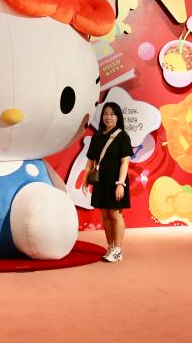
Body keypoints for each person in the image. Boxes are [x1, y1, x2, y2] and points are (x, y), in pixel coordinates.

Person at [82, 102, 132, 262]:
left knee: (116, 215)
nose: (108, 117)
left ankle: (118, 250)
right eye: (105, 114)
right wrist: (85, 180)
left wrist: (120, 183)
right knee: (105, 214)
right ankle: (110, 247)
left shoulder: (122, 136)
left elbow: (125, 162)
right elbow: (90, 162)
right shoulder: (97, 136)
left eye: (112, 114)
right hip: (101, 181)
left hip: (116, 181)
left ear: (118, 116)